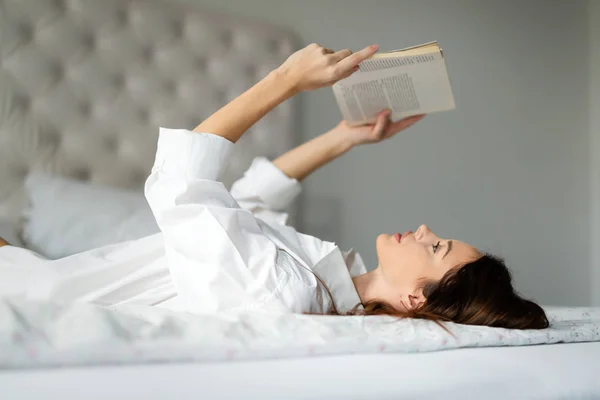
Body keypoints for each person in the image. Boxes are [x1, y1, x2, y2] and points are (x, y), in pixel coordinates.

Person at [0, 43, 548, 330]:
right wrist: (344, 138)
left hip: (23, 290)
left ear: (413, 299)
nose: (427, 230)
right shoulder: (328, 285)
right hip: (32, 272)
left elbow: (180, 182)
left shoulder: (283, 293)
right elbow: (250, 205)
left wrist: (284, 81)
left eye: (437, 248)